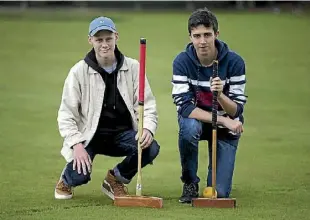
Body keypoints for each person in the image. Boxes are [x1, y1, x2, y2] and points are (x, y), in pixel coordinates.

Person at [54, 16, 160, 200]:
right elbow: (66, 114)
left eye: (108, 38)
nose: (104, 44)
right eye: (99, 39)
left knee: (150, 148)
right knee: (80, 175)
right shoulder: (78, 72)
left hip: (123, 134)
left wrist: (147, 128)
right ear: (90, 40)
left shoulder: (134, 67)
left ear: (116, 37)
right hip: (90, 136)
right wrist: (76, 144)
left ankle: (115, 179)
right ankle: (66, 178)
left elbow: (148, 106)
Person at [171, 8, 247, 203]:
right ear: (190, 36)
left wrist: (220, 95)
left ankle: (214, 180)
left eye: (207, 34)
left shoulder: (235, 62)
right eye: (197, 36)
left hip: (225, 129)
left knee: (219, 194)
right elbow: (185, 108)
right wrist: (223, 120)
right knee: (188, 127)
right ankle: (190, 182)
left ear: (216, 34)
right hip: (199, 120)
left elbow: (237, 110)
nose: (202, 41)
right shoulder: (181, 62)